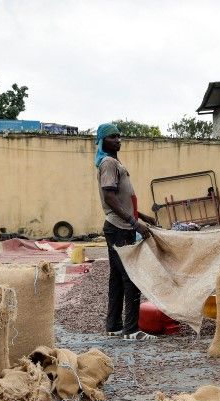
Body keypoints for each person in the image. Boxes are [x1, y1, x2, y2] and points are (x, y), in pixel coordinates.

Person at [96, 122, 157, 341]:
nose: (118, 140)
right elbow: (110, 198)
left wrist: (142, 216)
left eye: (119, 136)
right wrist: (134, 222)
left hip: (120, 227)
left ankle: (114, 325)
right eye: (112, 137)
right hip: (119, 229)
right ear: (103, 140)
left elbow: (123, 199)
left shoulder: (114, 162)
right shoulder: (109, 163)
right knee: (131, 276)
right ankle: (131, 330)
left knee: (117, 278)